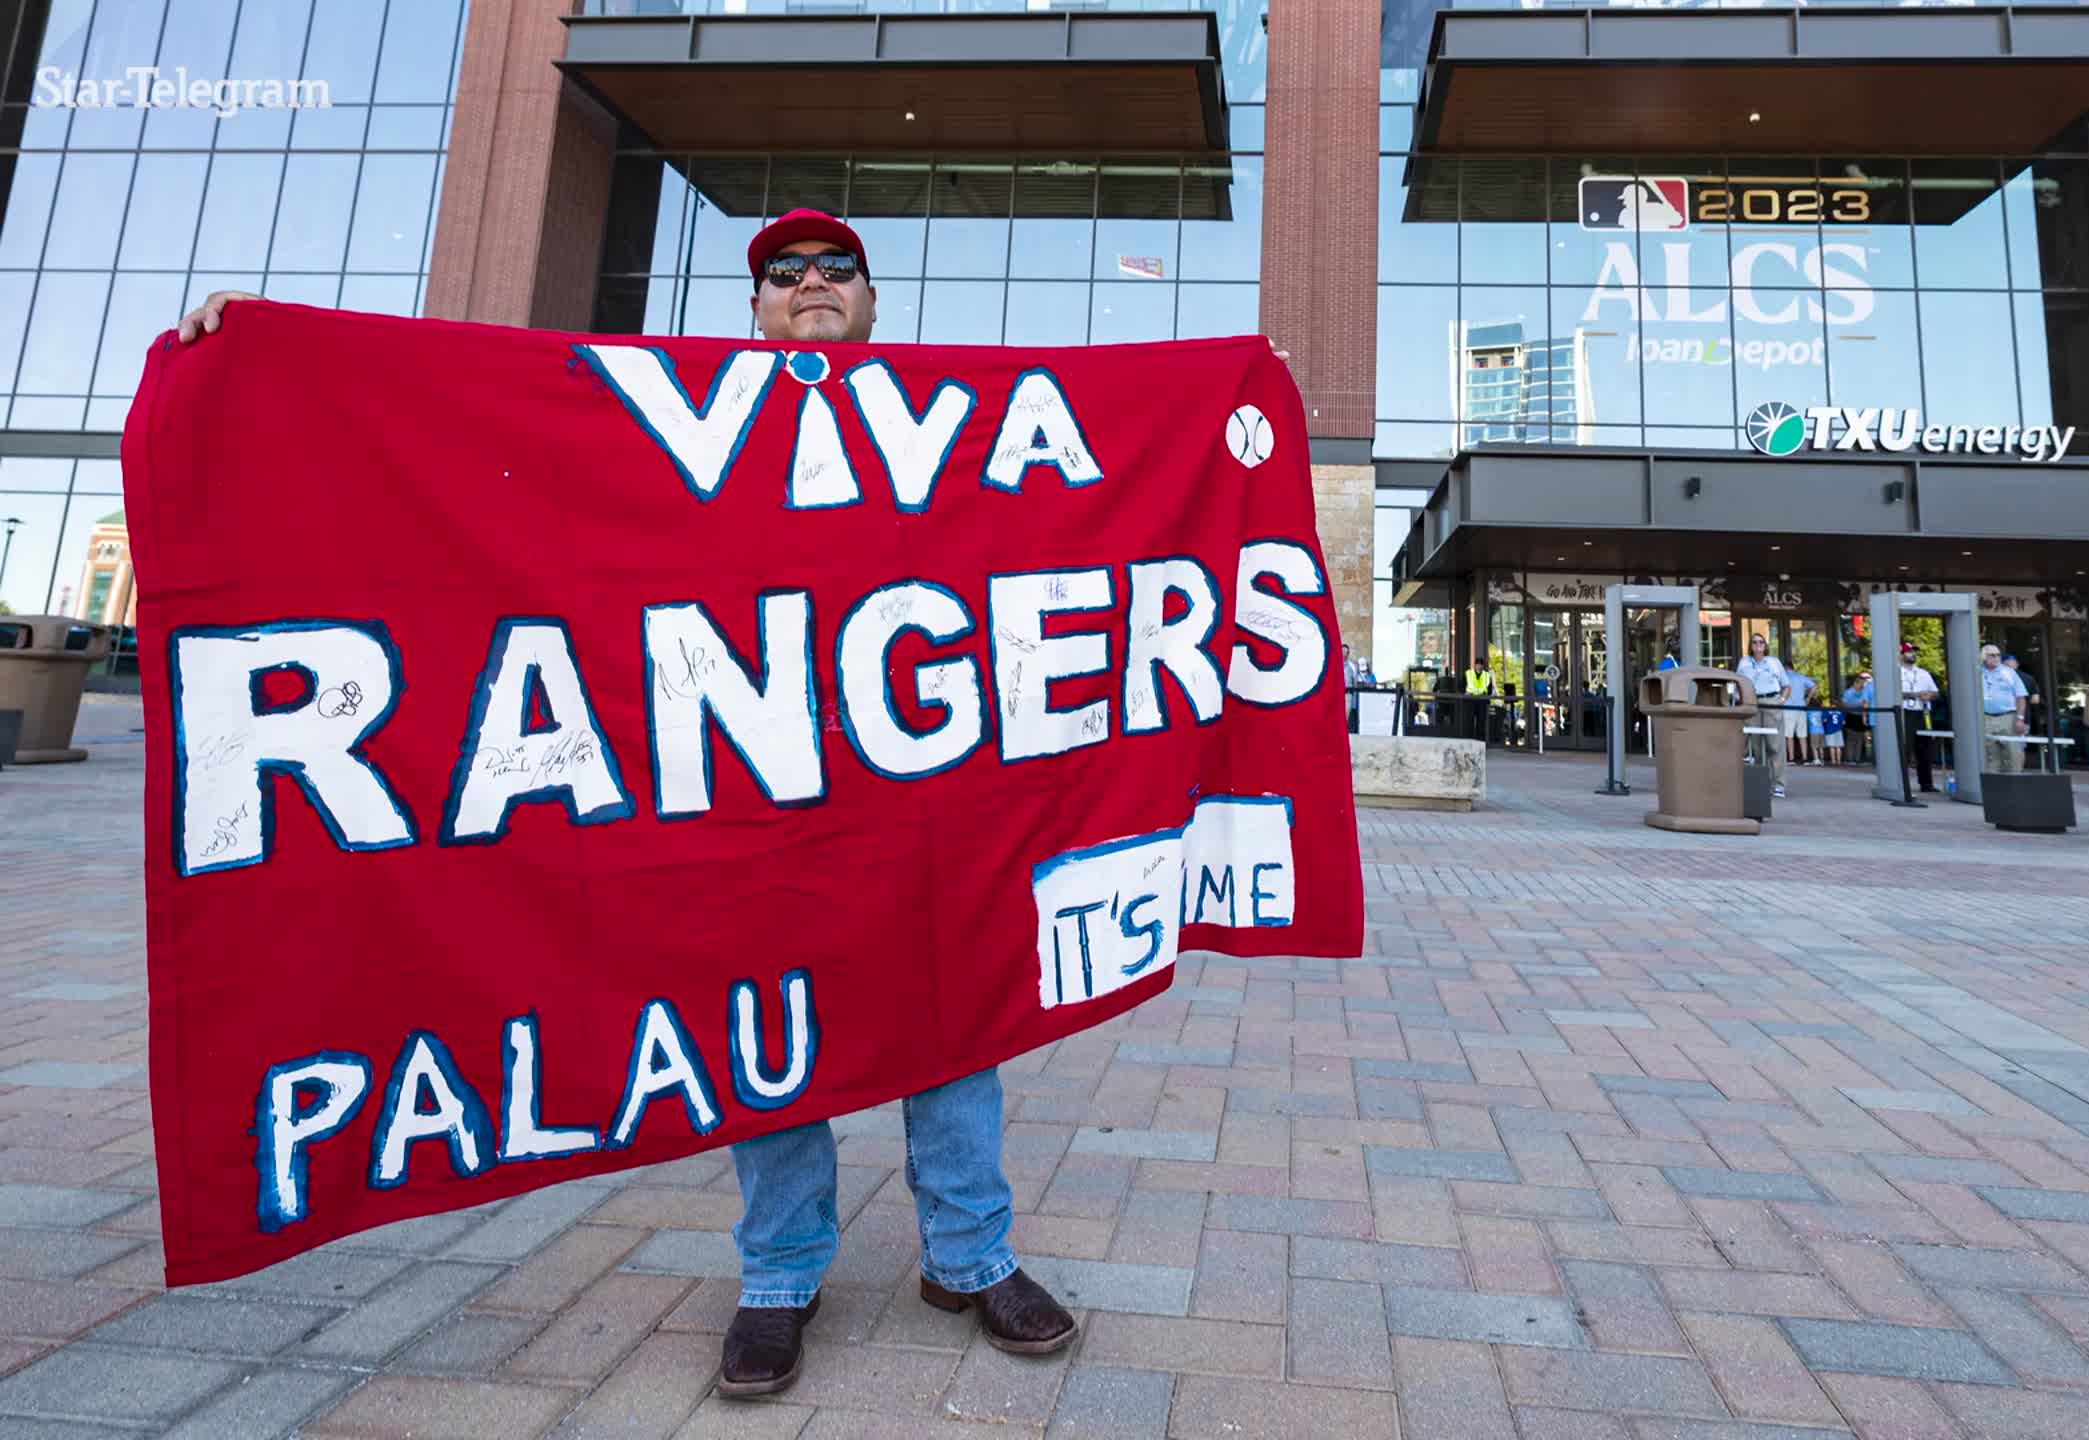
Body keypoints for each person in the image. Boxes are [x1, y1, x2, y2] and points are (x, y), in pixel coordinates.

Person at [184, 207, 1274, 1397]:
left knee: (964, 1012)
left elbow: (1101, 484)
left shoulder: (958, 422)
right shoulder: (665, 423)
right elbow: (462, 420)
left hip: (931, 811)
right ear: (754, 311)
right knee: (766, 1026)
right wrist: (260, 353)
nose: (812, 282)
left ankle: (971, 1256)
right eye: (783, 273)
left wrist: (1228, 392)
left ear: (871, 299)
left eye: (835, 268)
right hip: (762, 806)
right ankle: (779, 1278)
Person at [1735, 632, 1789, 798]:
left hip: (1771, 701)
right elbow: (1738, 683)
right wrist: (1739, 698)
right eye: (1754, 642)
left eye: (1761, 642)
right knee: (1757, 747)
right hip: (1752, 703)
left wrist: (1781, 700)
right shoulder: (1744, 663)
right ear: (1750, 646)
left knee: (1775, 745)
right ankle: (1761, 783)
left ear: (1765, 645)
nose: (1758, 644)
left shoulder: (1774, 662)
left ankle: (1779, 784)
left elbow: (1786, 685)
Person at [1978, 642, 2029, 776]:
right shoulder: (1977, 672)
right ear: (1983, 657)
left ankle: (2015, 786)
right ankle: (1992, 788)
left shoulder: (2009, 672)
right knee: (1990, 755)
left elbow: (2021, 697)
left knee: (2013, 754)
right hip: (1985, 717)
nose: (1996, 658)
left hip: (2008, 717)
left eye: (1998, 655)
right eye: (1992, 655)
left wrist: (2020, 719)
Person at [1898, 640, 1941, 792]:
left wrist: (1929, 696)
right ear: (1901, 654)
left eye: (1914, 651)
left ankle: (1926, 783)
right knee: (1905, 747)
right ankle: (1901, 784)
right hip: (1905, 712)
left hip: (1923, 713)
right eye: (1909, 652)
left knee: (1925, 749)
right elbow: (1893, 693)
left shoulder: (1923, 673)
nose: (1913, 654)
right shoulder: (1895, 672)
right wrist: (1915, 694)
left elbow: (1935, 692)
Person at [1783, 668, 1818, 765]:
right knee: (1802, 735)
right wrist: (1808, 698)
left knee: (1789, 735)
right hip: (1801, 708)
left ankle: (1791, 759)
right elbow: (1814, 686)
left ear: (1785, 668)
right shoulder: (1801, 677)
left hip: (1788, 708)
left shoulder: (1783, 676)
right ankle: (1805, 758)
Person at [1840, 670, 1874, 765]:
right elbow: (1844, 705)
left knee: (1860, 739)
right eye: (1861, 683)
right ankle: (1849, 759)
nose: (1863, 685)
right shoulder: (1849, 692)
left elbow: (1866, 703)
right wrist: (1857, 706)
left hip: (1861, 717)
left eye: (1864, 684)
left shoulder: (1865, 691)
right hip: (1851, 716)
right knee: (1851, 738)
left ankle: (1857, 759)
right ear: (1856, 683)